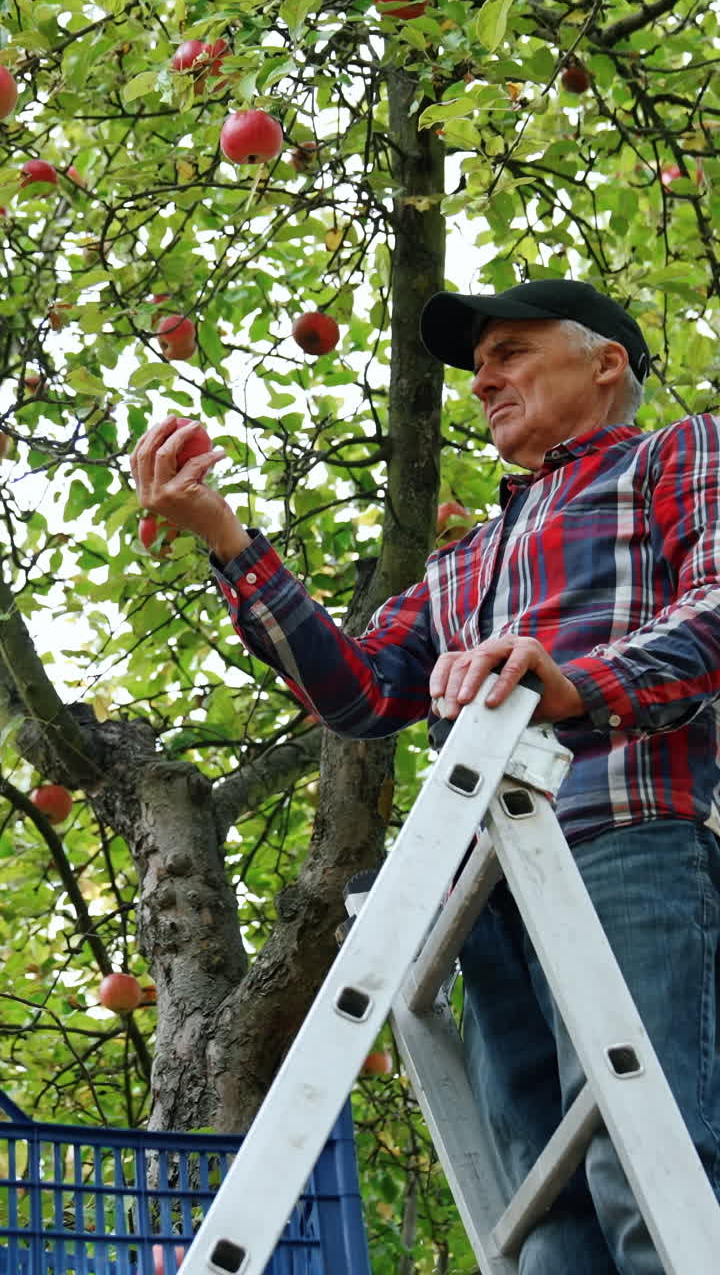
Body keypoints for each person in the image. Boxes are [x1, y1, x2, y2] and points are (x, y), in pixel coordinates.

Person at [131, 278, 720, 1273]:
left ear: (606, 361)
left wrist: (574, 682)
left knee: (647, 1170)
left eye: (512, 351)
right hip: (485, 889)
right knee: (542, 1211)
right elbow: (356, 691)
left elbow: (715, 607)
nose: (484, 377)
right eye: (477, 364)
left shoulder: (677, 455)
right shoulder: (464, 563)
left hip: (624, 840)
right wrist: (224, 537)